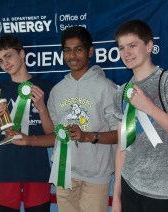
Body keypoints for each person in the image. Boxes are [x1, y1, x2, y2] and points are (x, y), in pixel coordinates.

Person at [111, 20, 168, 212]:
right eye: (122, 48)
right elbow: (122, 147)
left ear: (149, 46)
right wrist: (116, 197)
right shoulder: (121, 92)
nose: (126, 53)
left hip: (163, 191)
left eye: (132, 46)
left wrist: (149, 108)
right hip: (130, 185)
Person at [46, 26, 118, 212]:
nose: (72, 55)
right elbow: (52, 131)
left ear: (90, 51)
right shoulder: (57, 90)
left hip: (96, 175)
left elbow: (121, 134)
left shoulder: (107, 88)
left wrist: (88, 136)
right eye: (67, 50)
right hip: (64, 173)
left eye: (78, 49)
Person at [0, 35, 54, 211]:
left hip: (36, 167)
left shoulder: (46, 87)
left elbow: (53, 135)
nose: (5, 63)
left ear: (22, 53)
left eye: (8, 56)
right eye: (0, 60)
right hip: (5, 168)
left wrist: (42, 108)